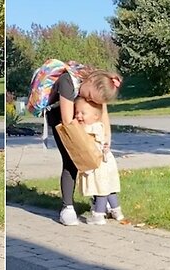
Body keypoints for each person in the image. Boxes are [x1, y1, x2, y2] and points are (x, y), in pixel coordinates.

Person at [46, 65, 122, 226]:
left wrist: (106, 140)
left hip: (85, 120)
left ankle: (98, 199)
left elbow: (102, 115)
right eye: (88, 96)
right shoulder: (67, 81)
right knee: (71, 161)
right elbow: (67, 121)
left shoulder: (97, 89)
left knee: (97, 160)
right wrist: (86, 148)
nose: (88, 101)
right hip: (62, 120)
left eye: (92, 100)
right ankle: (67, 208)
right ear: (91, 81)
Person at [73, 97, 123, 225]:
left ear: (95, 116)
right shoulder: (100, 126)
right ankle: (116, 210)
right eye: (76, 112)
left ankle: (99, 214)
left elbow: (80, 136)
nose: (78, 116)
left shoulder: (91, 128)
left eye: (83, 113)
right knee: (109, 186)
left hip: (97, 164)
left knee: (100, 188)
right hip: (106, 162)